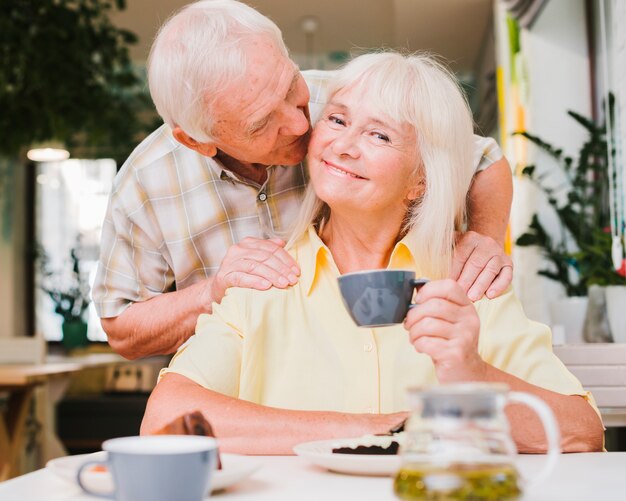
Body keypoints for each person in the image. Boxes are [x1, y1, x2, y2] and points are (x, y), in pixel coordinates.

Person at [141, 51, 604, 455]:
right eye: (338, 120)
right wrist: (378, 431)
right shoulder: (263, 278)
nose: (343, 146)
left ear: (421, 180)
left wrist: (472, 373)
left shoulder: (467, 281)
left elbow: (583, 434)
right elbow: (164, 421)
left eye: (379, 136)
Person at [92, 0, 513, 360]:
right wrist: (212, 292)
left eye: (291, 85)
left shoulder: (341, 103)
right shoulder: (144, 183)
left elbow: (483, 159)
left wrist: (483, 239)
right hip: (242, 380)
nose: (299, 124)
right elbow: (122, 329)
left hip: (384, 356)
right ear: (198, 141)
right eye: (261, 124)